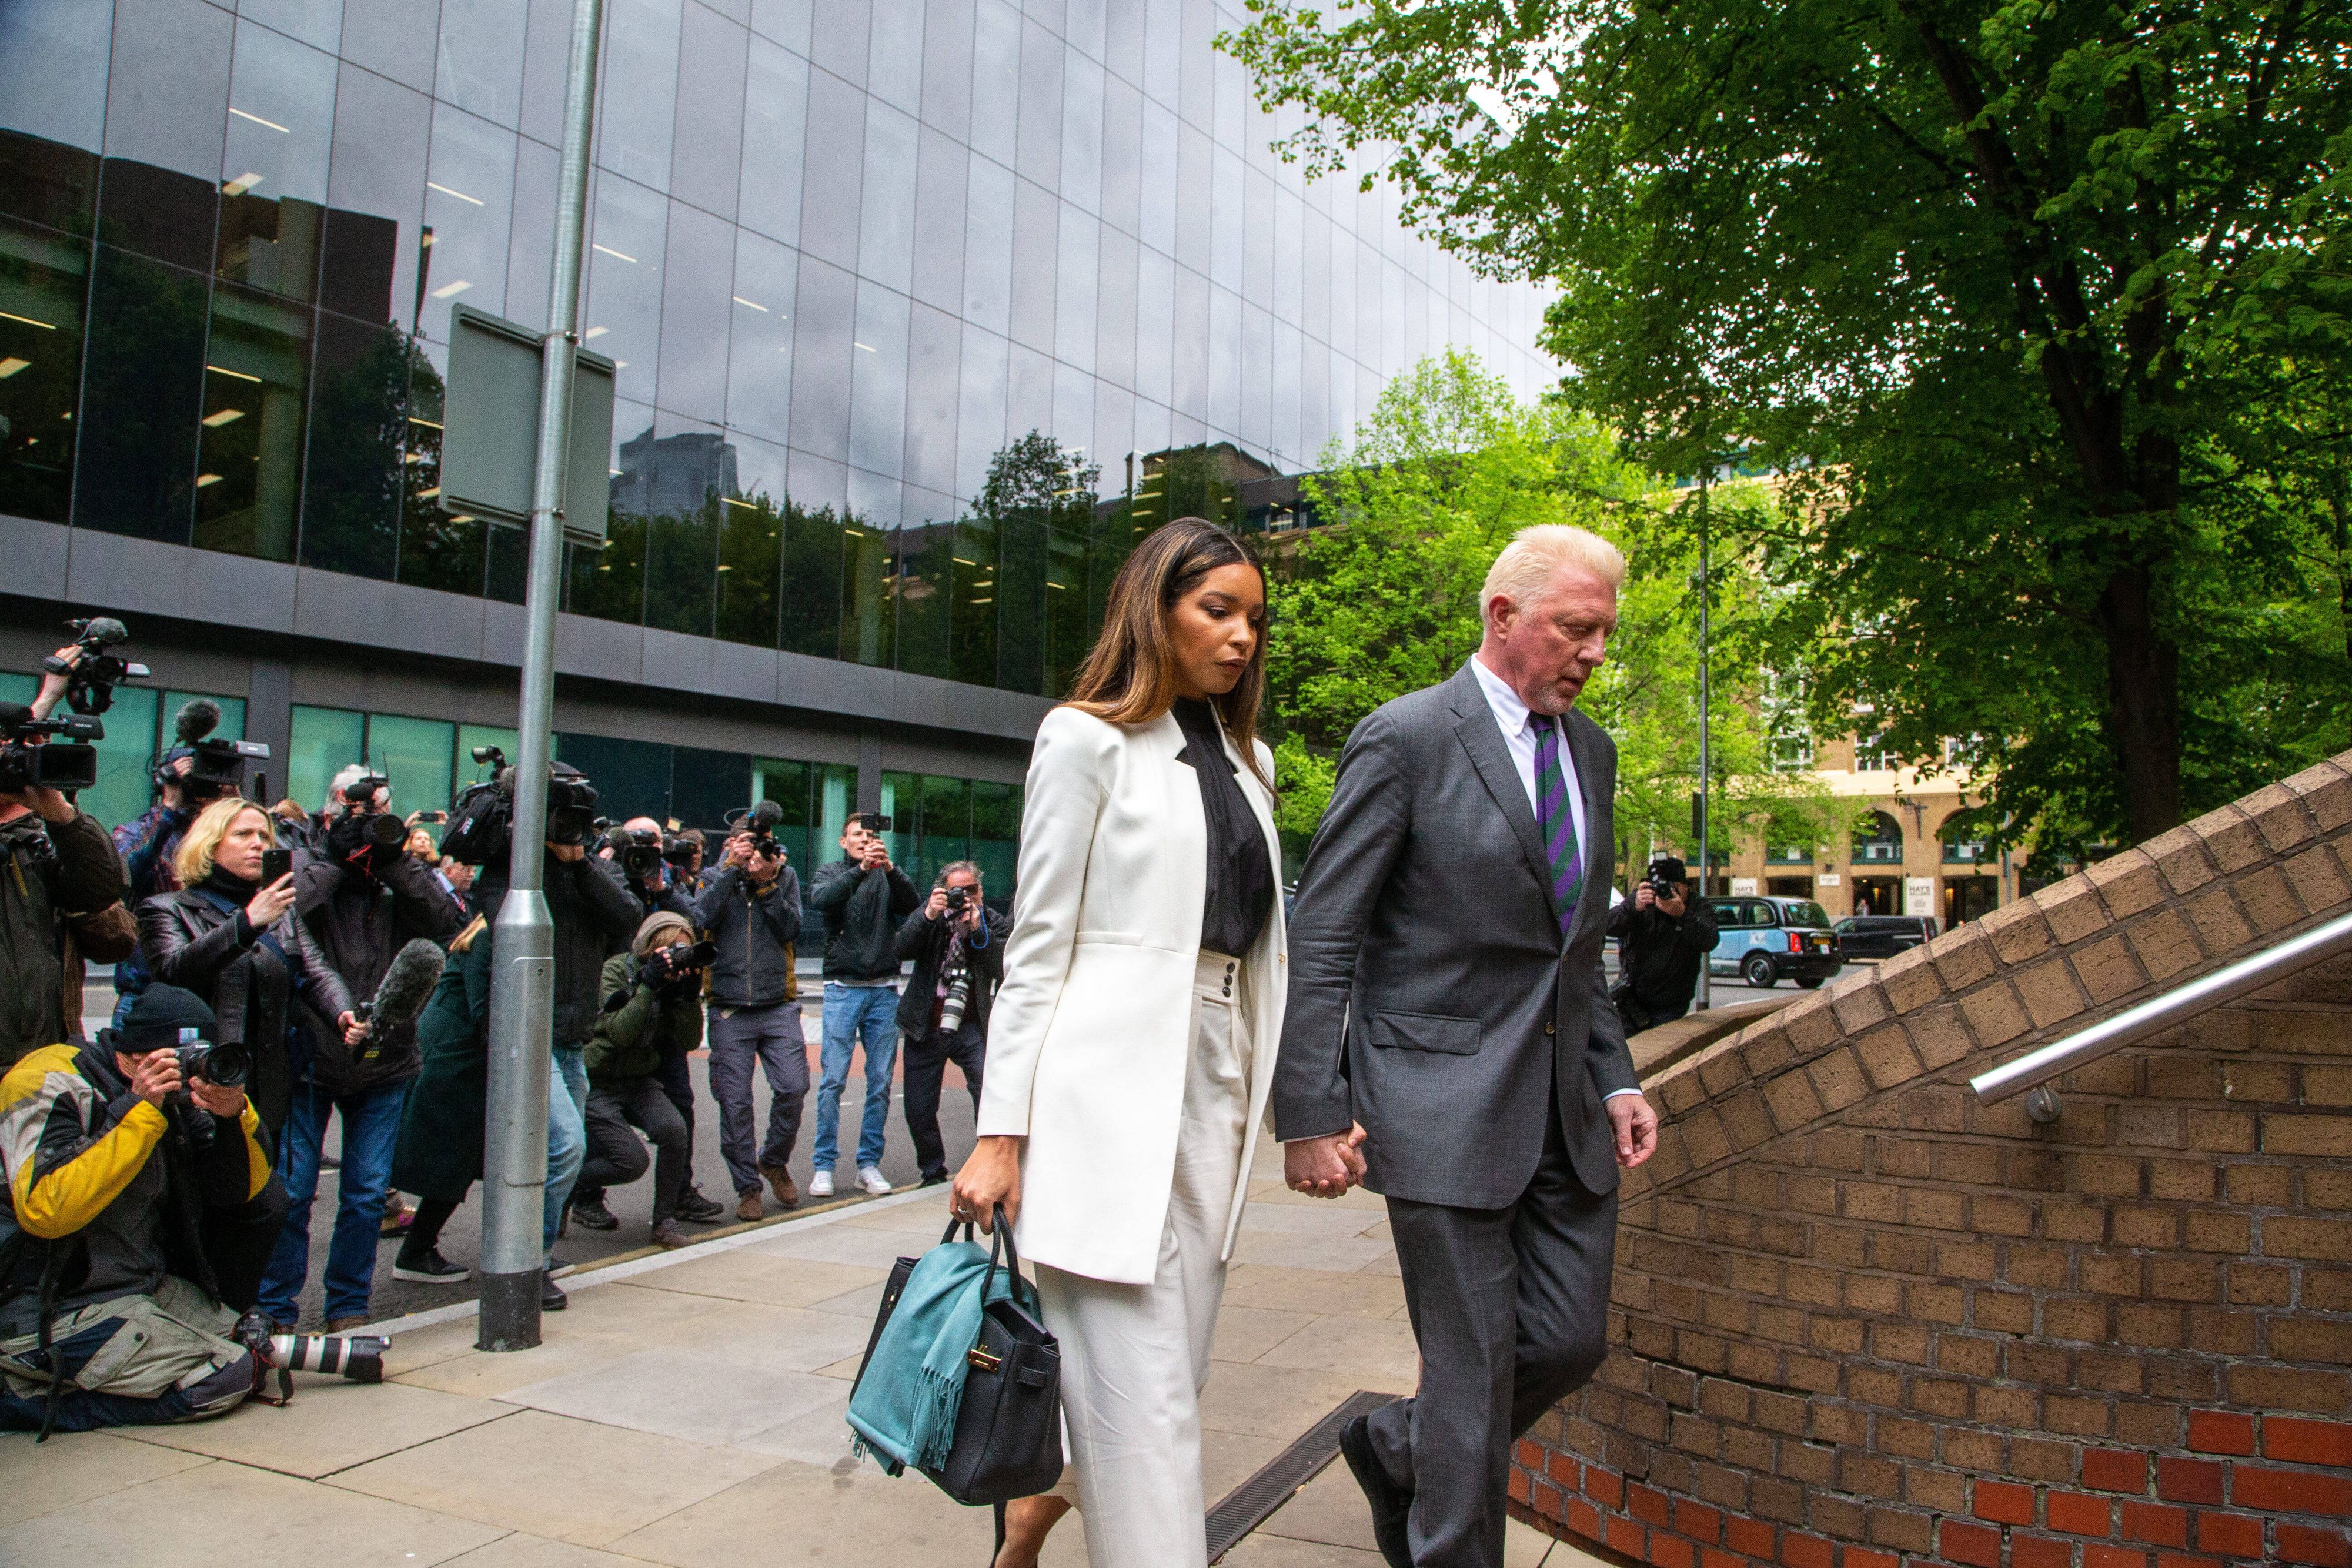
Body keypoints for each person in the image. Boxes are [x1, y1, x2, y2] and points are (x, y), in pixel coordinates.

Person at [1272, 524, 1662, 1568]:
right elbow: (1326, 933)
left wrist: (1614, 1074)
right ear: (1503, 617)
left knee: (1568, 1341)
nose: (1593, 654)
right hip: (1435, 1101)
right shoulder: (1406, 738)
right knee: (1473, 1361)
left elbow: (1573, 948)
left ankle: (1397, 1446)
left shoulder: (1592, 750)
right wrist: (1310, 1108)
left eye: (1603, 635)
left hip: (1563, 1111)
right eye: (1576, 630)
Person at [953, 517, 1288, 1568]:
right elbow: (1036, 948)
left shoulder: (1250, 759)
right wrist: (1001, 1129)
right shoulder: (1084, 739)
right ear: (1158, 608)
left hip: (1216, 1074)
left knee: (1166, 1374)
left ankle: (1036, 1506)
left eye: (1252, 617)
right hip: (1102, 1095)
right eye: (1215, 609)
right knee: (1144, 1403)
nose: (1240, 636)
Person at [0, 984, 286, 1433]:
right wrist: (139, 1108)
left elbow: (241, 1193)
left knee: (257, 1343)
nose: (190, 1067)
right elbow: (46, 1210)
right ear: (134, 1054)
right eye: (178, 1055)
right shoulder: (50, 1077)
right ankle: (24, 1403)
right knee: (226, 1376)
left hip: (136, 1285)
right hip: (49, 1305)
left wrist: (234, 1116)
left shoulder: (173, 1098)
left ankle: (86, 1379)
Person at [255, 766, 463, 1333]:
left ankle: (348, 1304)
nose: (371, 822)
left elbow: (447, 920)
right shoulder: (300, 857)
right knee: (295, 1193)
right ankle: (276, 1309)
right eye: (359, 811)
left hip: (386, 1055)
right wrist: (335, 856)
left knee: (369, 1192)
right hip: (310, 1053)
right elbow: (285, 912)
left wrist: (391, 860)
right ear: (331, 812)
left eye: (381, 810)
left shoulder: (402, 870)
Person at [466, 761, 642, 1309]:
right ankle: (527, 1259)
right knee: (564, 1145)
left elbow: (629, 918)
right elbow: (491, 906)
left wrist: (579, 863)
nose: (569, 829)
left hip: (570, 1033)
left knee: (562, 1148)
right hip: (526, 1029)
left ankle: (529, 1251)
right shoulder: (513, 870)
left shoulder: (588, 868)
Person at [136, 797, 365, 1139]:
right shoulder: (167, 908)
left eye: (264, 836)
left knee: (262, 1186)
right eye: (243, 834)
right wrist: (248, 922)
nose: (258, 844)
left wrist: (342, 1013)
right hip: (199, 1080)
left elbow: (315, 971)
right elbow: (174, 970)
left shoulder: (281, 911)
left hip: (266, 1082)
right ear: (210, 845)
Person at [1, 647, 135, 1066]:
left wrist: (62, 816)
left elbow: (102, 894)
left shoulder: (40, 842)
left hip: (41, 1066)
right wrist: (46, 699)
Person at [693, 817, 806, 1221]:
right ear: (732, 843)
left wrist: (766, 882)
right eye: (748, 843)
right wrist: (730, 871)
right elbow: (700, 918)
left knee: (794, 1087)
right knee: (735, 1101)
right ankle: (748, 1186)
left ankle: (773, 1159)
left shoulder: (783, 875)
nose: (757, 851)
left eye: (763, 844)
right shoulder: (713, 875)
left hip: (777, 1002)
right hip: (729, 1005)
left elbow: (792, 927)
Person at [806, 811, 918, 1198]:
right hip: (842, 987)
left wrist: (890, 869)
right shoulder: (831, 872)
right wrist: (859, 871)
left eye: (869, 835)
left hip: (884, 988)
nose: (863, 840)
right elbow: (821, 899)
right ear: (844, 841)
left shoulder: (888, 874)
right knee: (833, 1079)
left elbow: (914, 906)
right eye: (856, 835)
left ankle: (868, 1165)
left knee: (881, 1082)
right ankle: (823, 1166)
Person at [579, 913, 706, 1249]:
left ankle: (664, 1221)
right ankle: (564, 1185)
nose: (677, 956)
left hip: (639, 1079)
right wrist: (647, 986)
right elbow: (620, 1033)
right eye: (671, 948)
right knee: (630, 1162)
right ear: (651, 945)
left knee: (674, 1130)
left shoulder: (672, 981)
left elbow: (690, 1041)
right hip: (600, 1080)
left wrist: (689, 996)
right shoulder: (617, 970)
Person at [896, 861, 1004, 1188]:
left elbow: (1001, 966)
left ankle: (986, 1166)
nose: (965, 897)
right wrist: (929, 916)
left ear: (980, 891)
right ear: (943, 890)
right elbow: (901, 949)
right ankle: (933, 1172)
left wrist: (977, 930)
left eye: (972, 890)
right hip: (925, 1022)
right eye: (958, 891)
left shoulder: (991, 921)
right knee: (919, 1105)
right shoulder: (930, 916)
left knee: (987, 1093)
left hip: (971, 1023)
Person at [1605, 857, 1719, 1034]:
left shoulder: (1697, 906)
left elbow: (1709, 940)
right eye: (1660, 886)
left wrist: (1682, 914)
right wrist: (1632, 908)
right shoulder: (1643, 902)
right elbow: (1607, 926)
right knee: (1623, 1055)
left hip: (1670, 1006)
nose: (1666, 892)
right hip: (1632, 1002)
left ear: (1685, 886)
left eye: (1674, 887)